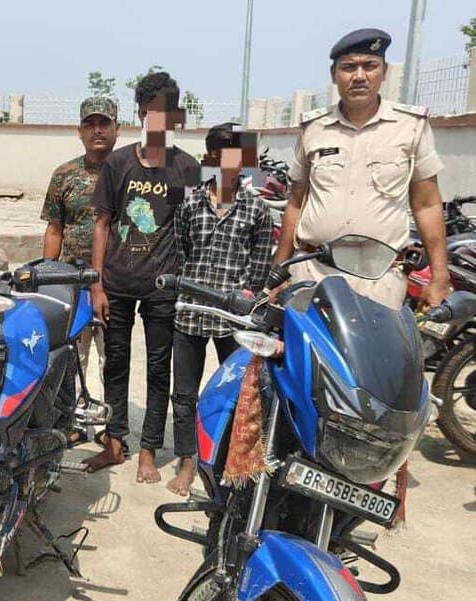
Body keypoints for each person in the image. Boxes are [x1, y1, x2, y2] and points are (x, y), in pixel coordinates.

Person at [274, 28, 449, 309]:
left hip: (379, 279)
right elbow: (296, 202)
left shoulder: (410, 127)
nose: (359, 76)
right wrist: (279, 270)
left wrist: (439, 277)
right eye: (348, 67)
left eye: (369, 66)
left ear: (384, 72)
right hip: (313, 272)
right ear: (334, 75)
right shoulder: (313, 128)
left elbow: (427, 205)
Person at [85, 71, 200, 482]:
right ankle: (115, 441)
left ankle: (148, 449)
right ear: (140, 115)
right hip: (116, 284)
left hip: (162, 288)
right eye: (152, 112)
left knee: (158, 368)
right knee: (115, 364)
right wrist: (97, 284)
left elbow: (193, 229)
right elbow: (102, 225)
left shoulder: (186, 168)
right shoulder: (118, 163)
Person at [167, 124, 273, 496]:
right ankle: (187, 460)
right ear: (211, 157)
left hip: (234, 320)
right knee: (184, 394)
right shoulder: (190, 202)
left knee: (239, 393)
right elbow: (181, 250)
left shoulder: (257, 208)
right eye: (221, 153)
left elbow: (260, 266)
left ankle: (230, 459)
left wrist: (246, 299)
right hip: (191, 312)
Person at [41, 96, 119, 379]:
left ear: (117, 128)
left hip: (114, 285)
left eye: (104, 123)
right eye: (90, 124)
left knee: (113, 364)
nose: (97, 130)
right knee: (72, 362)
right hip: (72, 284)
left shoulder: (127, 173)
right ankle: (75, 408)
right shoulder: (64, 175)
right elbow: (54, 230)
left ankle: (110, 409)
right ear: (80, 132)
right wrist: (46, 278)